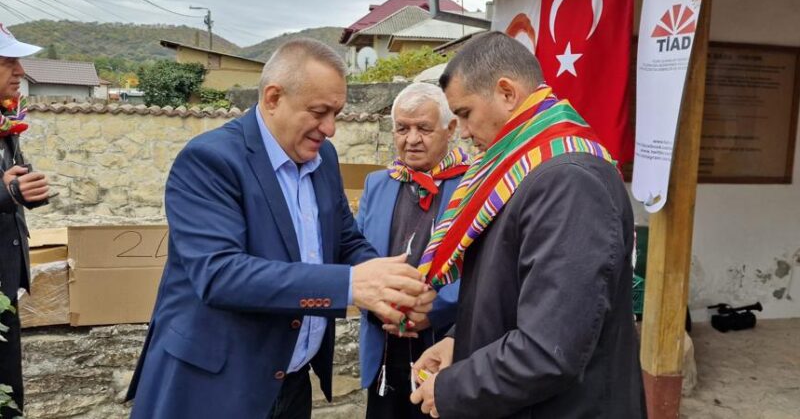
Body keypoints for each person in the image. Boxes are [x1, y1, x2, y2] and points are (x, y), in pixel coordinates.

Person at [127, 38, 435, 419]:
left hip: (291, 385)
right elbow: (220, 274)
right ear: (273, 98)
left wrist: (391, 291)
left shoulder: (323, 157)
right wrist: (352, 285)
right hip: (216, 388)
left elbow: (345, 239)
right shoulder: (210, 160)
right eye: (320, 112)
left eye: (337, 113)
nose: (331, 128)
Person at [410, 32, 646, 418]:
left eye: (465, 113)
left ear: (506, 93)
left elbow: (549, 348)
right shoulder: (522, 169)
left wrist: (454, 388)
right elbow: (512, 293)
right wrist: (459, 342)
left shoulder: (568, 182)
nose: (463, 132)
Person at [356, 82, 468, 419]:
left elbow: (483, 266)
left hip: (444, 341)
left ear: (451, 128)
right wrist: (382, 306)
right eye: (402, 129)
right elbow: (357, 252)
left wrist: (429, 311)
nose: (412, 139)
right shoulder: (378, 184)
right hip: (385, 342)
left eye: (424, 128)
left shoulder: (472, 186)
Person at [0, 23, 51, 418]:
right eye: (8, 62)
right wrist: (8, 194)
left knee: (7, 381)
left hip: (5, 277)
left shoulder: (6, 123)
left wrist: (24, 192)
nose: (20, 71)